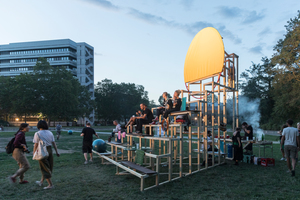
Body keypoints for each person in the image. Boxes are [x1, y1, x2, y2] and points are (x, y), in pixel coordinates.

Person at [33, 120, 60, 189]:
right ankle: (41, 181)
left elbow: (36, 145)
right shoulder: (50, 132)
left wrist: (34, 153)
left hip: (42, 151)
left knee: (44, 167)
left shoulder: (37, 133)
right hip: (49, 150)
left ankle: (50, 185)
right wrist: (57, 152)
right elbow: (54, 143)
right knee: (49, 166)